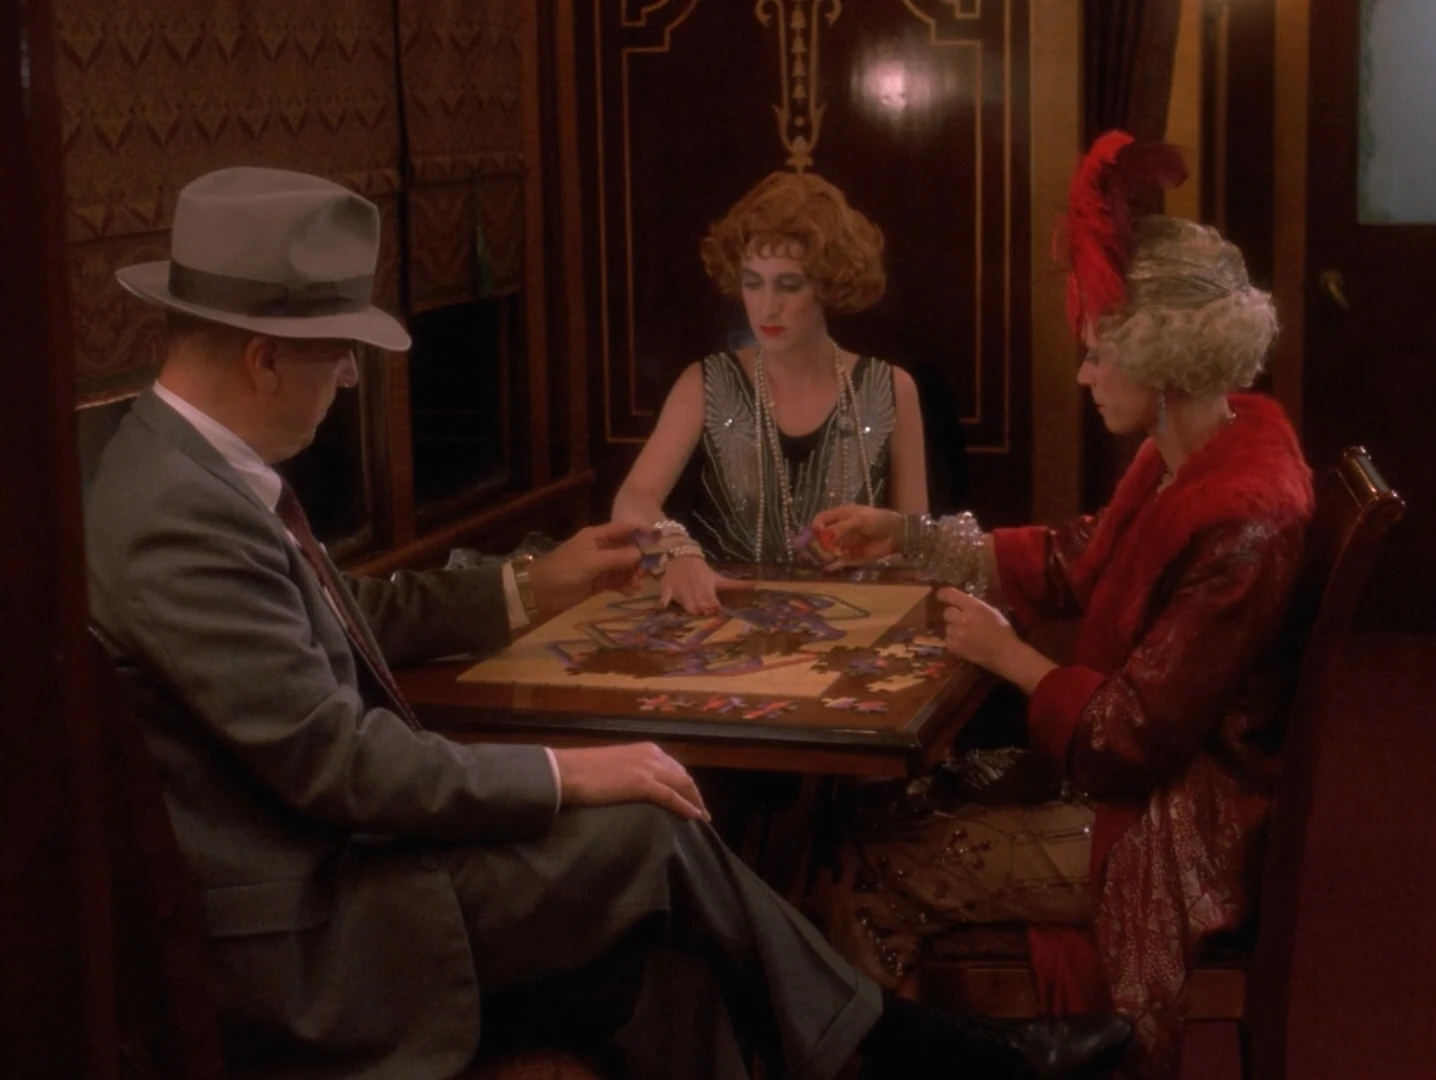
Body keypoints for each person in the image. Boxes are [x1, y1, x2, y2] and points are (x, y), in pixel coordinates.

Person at [84, 166, 1130, 1080]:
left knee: (672, 955)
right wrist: (567, 770)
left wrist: (527, 589)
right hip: (310, 934)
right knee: (646, 833)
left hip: (350, 866)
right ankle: (919, 1054)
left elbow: (355, 614)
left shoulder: (188, 475)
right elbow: (340, 766)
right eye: (340, 354)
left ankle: (900, 1052)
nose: (352, 379)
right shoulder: (178, 518)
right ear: (265, 358)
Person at [813, 132, 1314, 1078]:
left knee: (873, 861)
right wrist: (907, 534)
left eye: (1095, 356)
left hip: (1172, 827)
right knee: (859, 809)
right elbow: (1074, 557)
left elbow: (1130, 738)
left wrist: (1008, 655)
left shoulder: (1242, 513)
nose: (1083, 378)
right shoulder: (1195, 454)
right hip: (1135, 789)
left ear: (1161, 358)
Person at [613, 171, 929, 614]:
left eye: (788, 285)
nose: (767, 307)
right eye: (753, 282)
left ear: (827, 284)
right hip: (723, 620)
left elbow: (919, 541)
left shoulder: (892, 388)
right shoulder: (704, 382)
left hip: (854, 619)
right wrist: (675, 552)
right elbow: (630, 500)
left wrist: (883, 543)